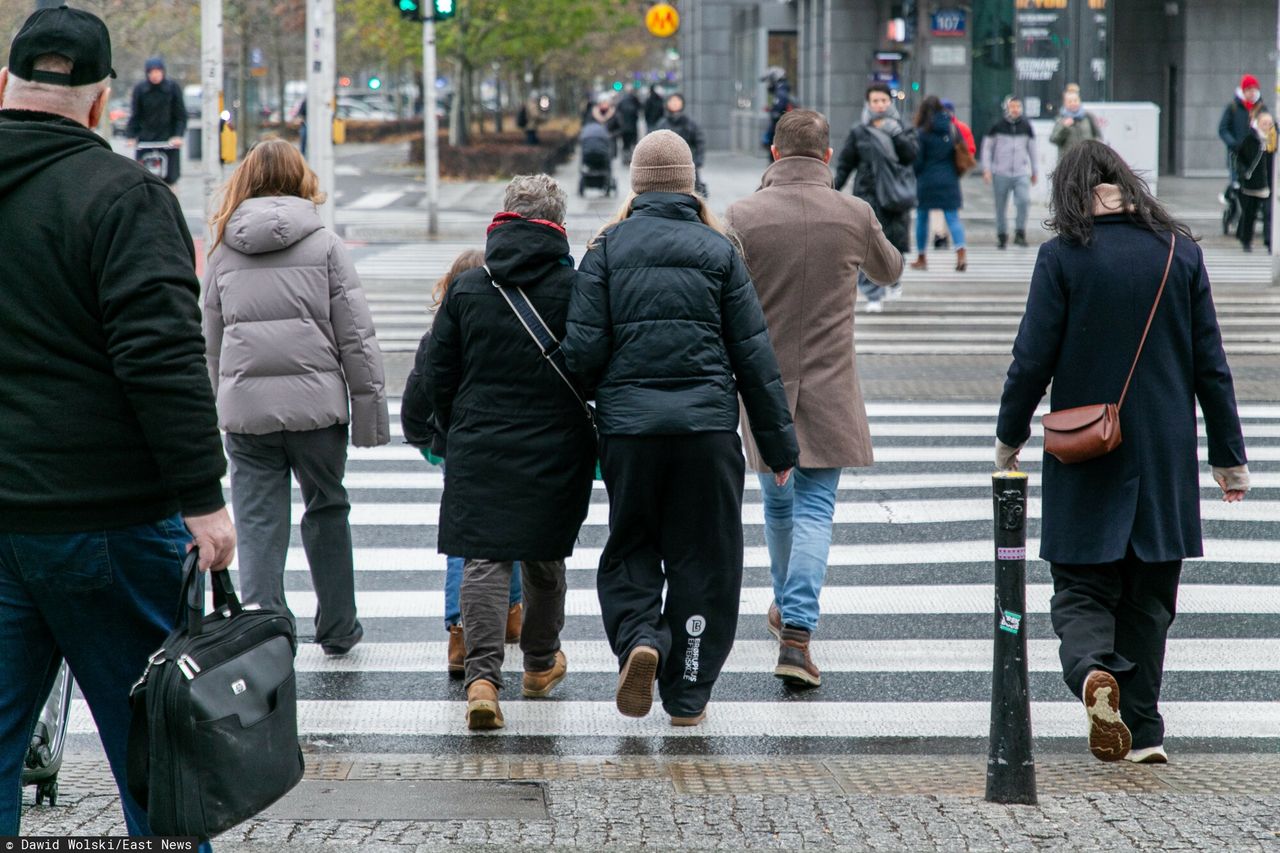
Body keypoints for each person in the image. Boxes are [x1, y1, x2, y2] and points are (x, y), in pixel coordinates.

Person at [0, 6, 235, 837]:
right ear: (105, 104)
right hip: (104, 518)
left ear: (3, 85)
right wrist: (203, 498)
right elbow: (162, 360)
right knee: (156, 753)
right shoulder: (125, 198)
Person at [996, 140, 1249, 765]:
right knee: (1151, 598)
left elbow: (1031, 359)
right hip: (1163, 451)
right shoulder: (1179, 252)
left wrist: (1010, 437)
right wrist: (1228, 456)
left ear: (1071, 194)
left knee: (1081, 586)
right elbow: (1211, 367)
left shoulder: (1063, 257)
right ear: (1126, 184)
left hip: (1086, 451)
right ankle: (1145, 732)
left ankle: (1090, 673)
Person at [563, 131, 799, 727]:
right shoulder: (720, 251)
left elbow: (583, 356)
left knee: (631, 546)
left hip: (631, 434)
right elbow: (755, 357)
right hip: (707, 433)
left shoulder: (606, 249)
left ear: (637, 183)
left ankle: (642, 635)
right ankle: (688, 690)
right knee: (706, 559)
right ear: (690, 183)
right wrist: (777, 445)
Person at [724, 110, 902, 688]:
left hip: (762, 386)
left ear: (774, 153)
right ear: (828, 157)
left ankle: (785, 607)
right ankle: (797, 631)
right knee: (816, 509)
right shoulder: (853, 214)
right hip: (830, 385)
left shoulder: (742, 216)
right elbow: (891, 269)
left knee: (778, 506)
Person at [203, 138, 390, 656]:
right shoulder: (325, 245)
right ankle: (338, 626)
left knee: (259, 519)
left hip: (247, 414)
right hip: (317, 411)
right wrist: (371, 415)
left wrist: (212, 409)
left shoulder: (222, 250)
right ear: (301, 179)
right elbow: (355, 334)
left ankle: (265, 628)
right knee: (327, 508)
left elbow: (210, 344)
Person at [428, 175, 596, 731]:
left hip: (479, 440)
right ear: (558, 224)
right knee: (544, 557)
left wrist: (458, 431)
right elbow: (594, 366)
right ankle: (541, 665)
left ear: (504, 218)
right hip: (556, 443)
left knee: (484, 558)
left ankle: (481, 679)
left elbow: (438, 375)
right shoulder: (578, 288)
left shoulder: (470, 288)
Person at [401, 250, 524, 675]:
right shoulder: (511, 328)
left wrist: (430, 441)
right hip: (510, 443)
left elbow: (416, 399)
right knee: (518, 525)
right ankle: (511, 612)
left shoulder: (438, 335)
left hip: (459, 446)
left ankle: (461, 632)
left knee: (466, 540)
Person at [834, 82, 919, 313]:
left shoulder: (902, 127)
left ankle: (894, 279)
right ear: (868, 103)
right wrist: (832, 188)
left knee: (894, 242)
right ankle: (873, 294)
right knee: (866, 245)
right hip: (868, 195)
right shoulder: (859, 131)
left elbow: (911, 156)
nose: (880, 105)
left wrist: (897, 135)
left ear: (890, 102)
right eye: (875, 101)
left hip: (894, 196)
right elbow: (845, 164)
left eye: (884, 100)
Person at [910, 95, 967, 272]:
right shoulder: (951, 127)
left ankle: (921, 257)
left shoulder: (921, 132)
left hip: (927, 180)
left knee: (922, 218)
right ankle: (961, 253)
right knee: (952, 218)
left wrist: (916, 173)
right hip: (949, 179)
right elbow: (962, 151)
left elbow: (917, 161)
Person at [982, 95, 1039, 249]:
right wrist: (987, 168)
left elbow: (1032, 150)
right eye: (1012, 106)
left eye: (1018, 106)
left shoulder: (1026, 127)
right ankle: (1002, 235)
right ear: (1007, 108)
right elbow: (987, 148)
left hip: (1021, 172)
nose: (1015, 109)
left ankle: (1020, 233)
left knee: (1023, 200)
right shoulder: (997, 126)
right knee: (1000, 205)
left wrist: (1035, 170)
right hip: (1001, 172)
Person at [125, 56, 185, 186]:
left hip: (168, 140)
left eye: (158, 71)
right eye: (151, 72)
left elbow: (180, 115)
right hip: (146, 139)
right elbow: (135, 115)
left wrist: (178, 136)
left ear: (163, 72)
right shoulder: (140, 89)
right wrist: (131, 136)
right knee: (143, 177)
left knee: (171, 178)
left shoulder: (173, 88)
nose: (155, 75)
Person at [1219, 74, 1267, 230]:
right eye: (1249, 89)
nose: (1252, 93)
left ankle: (1247, 222)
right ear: (1243, 90)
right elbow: (1223, 129)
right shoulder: (1233, 107)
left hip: (1256, 158)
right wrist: (1233, 144)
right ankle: (1232, 213)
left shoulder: (1261, 108)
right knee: (1237, 186)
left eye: (1254, 89)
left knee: (1253, 189)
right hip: (1237, 156)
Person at [1235, 111, 1276, 252]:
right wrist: (1243, 174)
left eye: (1270, 124)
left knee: (1269, 214)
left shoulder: (1274, 140)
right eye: (1264, 123)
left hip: (1269, 184)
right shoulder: (1250, 139)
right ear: (1258, 124)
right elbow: (1239, 158)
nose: (1267, 126)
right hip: (1251, 184)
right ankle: (1246, 240)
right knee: (1249, 214)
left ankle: (1270, 242)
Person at [654, 93, 708, 195]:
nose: (674, 104)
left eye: (677, 101)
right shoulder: (662, 123)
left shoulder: (690, 123)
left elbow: (700, 142)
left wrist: (699, 159)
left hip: (688, 164)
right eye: (672, 101)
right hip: (667, 165)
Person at [1050, 83, 1101, 156]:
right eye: (1070, 101)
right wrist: (1065, 127)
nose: (1073, 104)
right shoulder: (1061, 119)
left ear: (1079, 101)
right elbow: (1054, 139)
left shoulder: (1088, 117)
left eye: (1075, 100)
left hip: (1086, 160)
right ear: (1065, 103)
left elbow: (1097, 137)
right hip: (1068, 162)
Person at [760, 66, 795, 158]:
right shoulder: (782, 91)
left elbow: (778, 111)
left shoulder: (781, 92)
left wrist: (774, 112)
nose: (769, 84)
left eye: (770, 81)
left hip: (779, 129)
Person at [616, 86, 641, 165]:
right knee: (631, 143)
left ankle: (626, 158)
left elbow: (618, 113)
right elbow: (639, 109)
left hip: (624, 127)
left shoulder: (622, 101)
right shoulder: (634, 101)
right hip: (632, 127)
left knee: (625, 144)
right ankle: (630, 158)